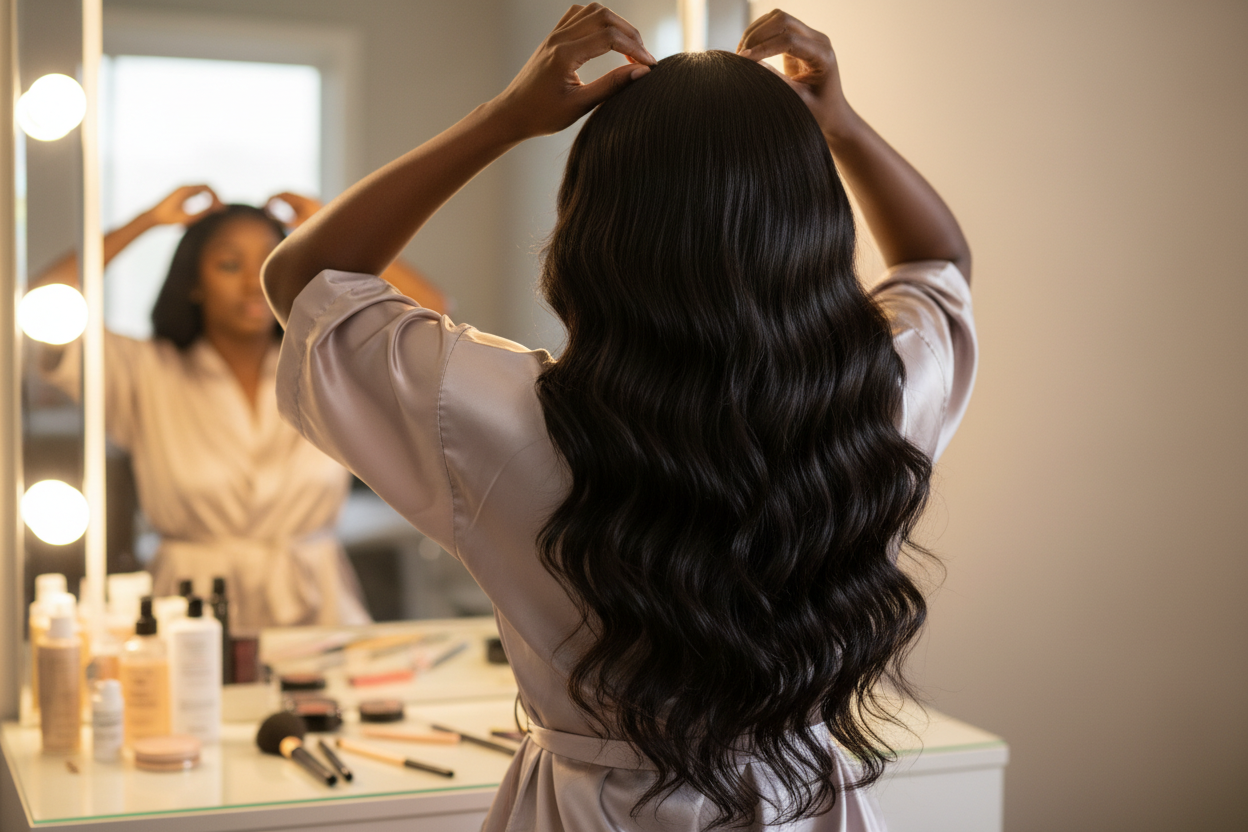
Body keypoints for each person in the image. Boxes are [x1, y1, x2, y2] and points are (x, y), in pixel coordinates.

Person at [263, 5, 975, 831]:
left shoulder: (495, 414)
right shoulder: (878, 400)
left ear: (596, 225)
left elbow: (308, 281)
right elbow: (939, 261)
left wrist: (506, 120)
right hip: (808, 806)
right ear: (810, 221)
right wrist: (842, 125)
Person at [35, 186, 448, 629]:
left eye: (270, 264)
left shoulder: (327, 365)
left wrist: (329, 225)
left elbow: (433, 313)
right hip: (191, 616)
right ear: (193, 282)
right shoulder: (143, 372)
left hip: (319, 611)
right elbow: (44, 308)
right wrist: (146, 222)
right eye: (229, 265)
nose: (253, 282)